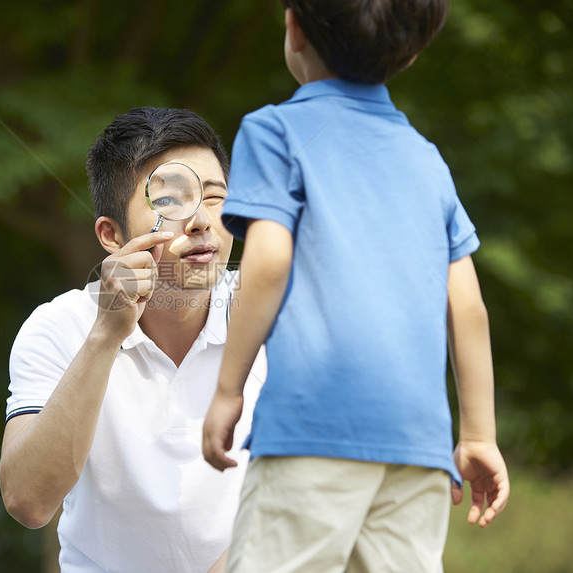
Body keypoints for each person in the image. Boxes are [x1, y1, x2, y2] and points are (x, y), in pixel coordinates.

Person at [202, 1, 510, 571]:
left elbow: (267, 263)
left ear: (293, 28)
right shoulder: (427, 160)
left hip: (313, 428)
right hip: (417, 446)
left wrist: (228, 390)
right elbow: (467, 305)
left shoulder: (274, 131)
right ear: (413, 52)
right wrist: (478, 436)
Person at [0, 107, 266, 573]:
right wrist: (105, 336)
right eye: (169, 202)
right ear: (111, 233)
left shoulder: (277, 317)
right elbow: (28, 501)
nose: (202, 221)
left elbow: (320, 483)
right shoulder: (57, 326)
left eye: (217, 196)